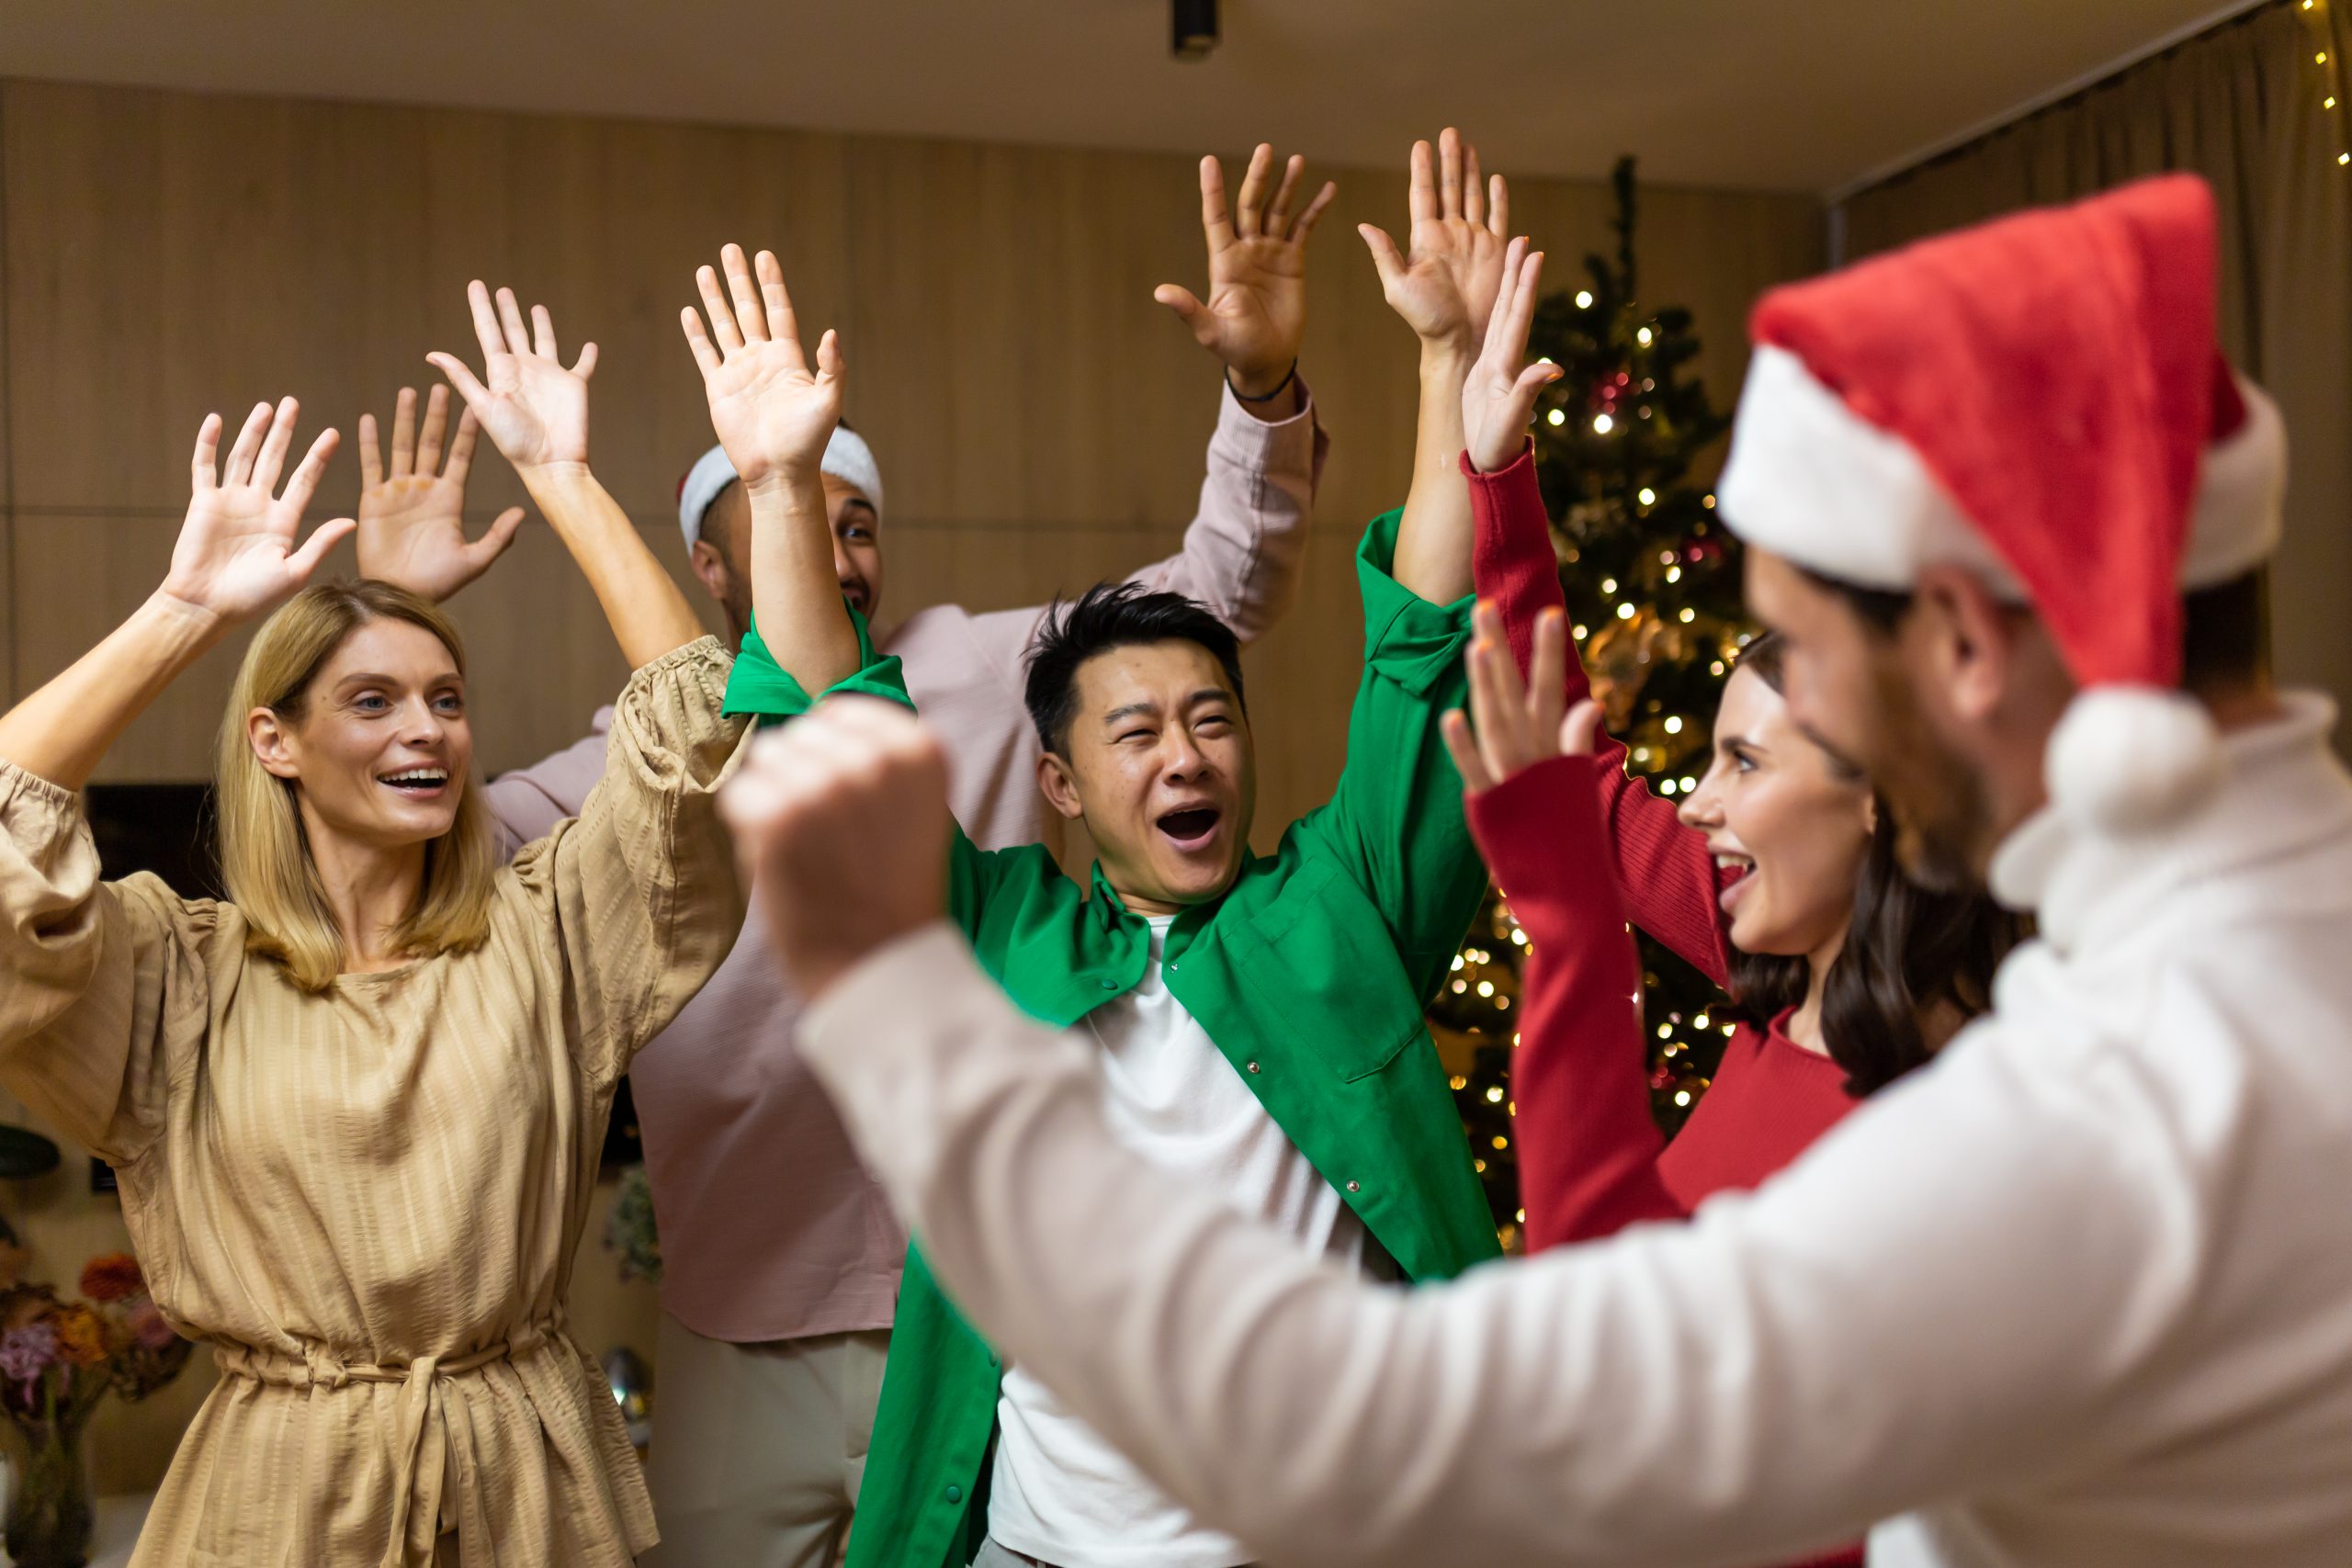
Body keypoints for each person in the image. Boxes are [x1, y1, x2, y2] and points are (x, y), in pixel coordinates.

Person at [723, 174, 2352, 1568]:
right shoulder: (2215, 955)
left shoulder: (2082, 1102)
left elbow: (1552, 1413)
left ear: (1969, 648)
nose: (1725, 780)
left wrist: (915, 1044)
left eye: (1796, 669)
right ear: (1065, 787)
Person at [356, 144, 1334, 1568]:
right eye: (788, 505)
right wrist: (387, 611)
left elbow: (1225, 584)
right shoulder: (620, 768)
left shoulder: (999, 669)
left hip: (993, 1303)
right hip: (736, 1325)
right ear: (710, 563)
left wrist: (1260, 388)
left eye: (851, 515)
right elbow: (407, 845)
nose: (836, 544)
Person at [705, 196, 1536, 1566]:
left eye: (1212, 720)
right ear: (1061, 785)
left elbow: (1422, 648)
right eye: (1136, 732)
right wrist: (786, 488)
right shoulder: (997, 935)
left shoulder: (1338, 908)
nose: (1185, 755)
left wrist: (1443, 357)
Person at [0, 284, 751, 1565]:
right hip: (278, 1499)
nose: (426, 729)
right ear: (273, 740)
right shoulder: (175, 976)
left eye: (446, 696)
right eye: (373, 699)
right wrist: (187, 609)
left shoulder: (547, 932)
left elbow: (699, 746)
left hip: (531, 1486)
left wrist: (564, 477)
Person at [1450, 431, 2021, 1257]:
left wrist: (1573, 937)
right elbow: (1581, 764)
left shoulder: (1946, 1136)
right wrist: (1500, 472)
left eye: (1745, 763)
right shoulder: (1787, 951)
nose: (1695, 806)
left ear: (1883, 797)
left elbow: (1622, 1311)